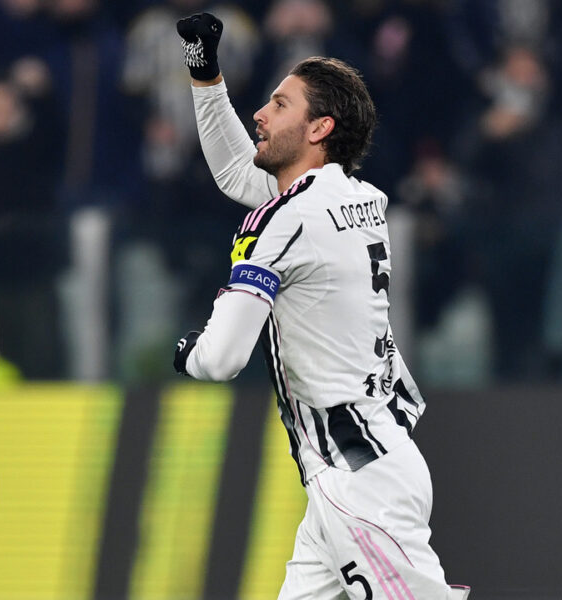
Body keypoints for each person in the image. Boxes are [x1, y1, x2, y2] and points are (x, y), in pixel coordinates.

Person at [172, 13, 469, 600]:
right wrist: (205, 74)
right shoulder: (359, 197)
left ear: (319, 128)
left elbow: (223, 358)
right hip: (370, 455)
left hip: (356, 477)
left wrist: (187, 355)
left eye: (279, 105)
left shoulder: (286, 220)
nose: (260, 114)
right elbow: (240, 171)